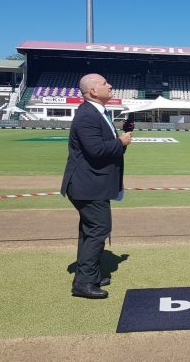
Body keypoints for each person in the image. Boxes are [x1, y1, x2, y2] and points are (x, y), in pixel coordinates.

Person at [60, 73, 132, 299]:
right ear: (92, 91)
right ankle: (84, 282)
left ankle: (89, 274)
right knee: (98, 230)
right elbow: (96, 151)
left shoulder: (97, 113)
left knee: (89, 231)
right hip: (87, 185)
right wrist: (120, 142)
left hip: (91, 184)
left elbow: (102, 148)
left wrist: (120, 142)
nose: (110, 85)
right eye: (104, 83)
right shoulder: (87, 115)